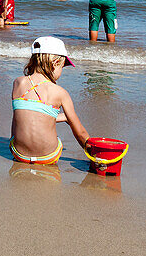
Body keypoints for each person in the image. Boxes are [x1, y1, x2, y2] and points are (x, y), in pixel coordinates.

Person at [9, 37, 91, 176]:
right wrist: (93, 153)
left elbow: (23, 116)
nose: (61, 72)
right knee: (62, 133)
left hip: (19, 154)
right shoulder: (60, 93)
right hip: (48, 157)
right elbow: (81, 134)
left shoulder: (18, 83)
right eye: (62, 67)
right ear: (55, 63)